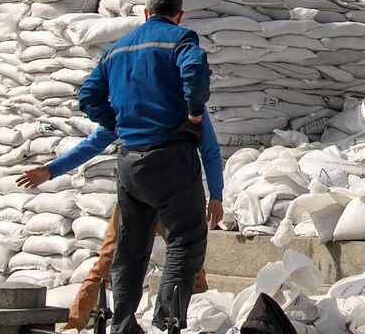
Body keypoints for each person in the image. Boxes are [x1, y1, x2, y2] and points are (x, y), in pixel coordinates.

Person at [76, 0, 211, 334]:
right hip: (170, 158)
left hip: (129, 163)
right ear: (178, 14)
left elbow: (88, 96)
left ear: (145, 13)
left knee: (131, 247)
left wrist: (118, 124)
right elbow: (195, 73)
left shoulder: (117, 49)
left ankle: (122, 324)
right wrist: (194, 114)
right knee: (185, 238)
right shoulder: (181, 39)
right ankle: (167, 321)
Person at [17, 115, 224, 331]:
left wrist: (52, 170)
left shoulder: (142, 100)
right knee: (173, 255)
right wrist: (51, 170)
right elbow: (208, 148)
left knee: (182, 259)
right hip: (167, 187)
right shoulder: (166, 101)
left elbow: (95, 140)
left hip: (142, 186)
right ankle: (81, 322)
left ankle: (187, 316)